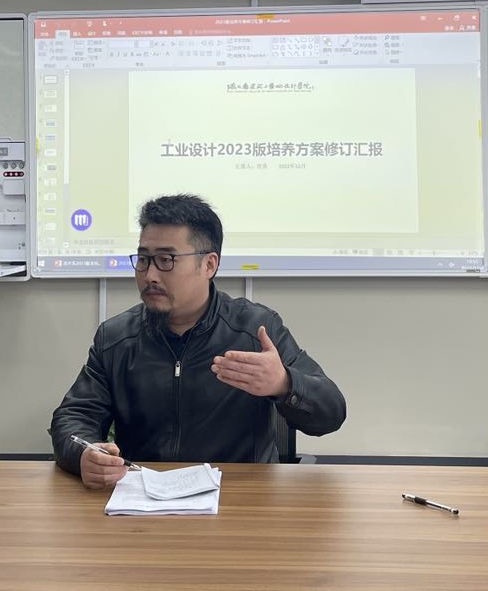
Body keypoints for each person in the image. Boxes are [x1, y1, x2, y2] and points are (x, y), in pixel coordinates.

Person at [49, 194, 347, 488]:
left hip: (241, 497)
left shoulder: (254, 331)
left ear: (209, 265)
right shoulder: (117, 338)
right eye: (143, 259)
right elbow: (74, 417)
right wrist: (84, 454)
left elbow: (331, 413)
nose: (150, 275)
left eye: (166, 260)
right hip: (145, 496)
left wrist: (284, 384)